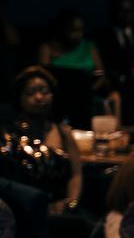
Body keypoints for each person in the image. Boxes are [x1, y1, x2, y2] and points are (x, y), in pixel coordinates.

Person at [6, 67, 83, 212]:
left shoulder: (63, 131)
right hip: (23, 209)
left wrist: (71, 203)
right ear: (19, 97)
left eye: (44, 91)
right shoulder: (10, 135)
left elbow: (76, 174)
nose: (39, 97)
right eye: (30, 93)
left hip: (61, 208)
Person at [98, 0, 134, 86]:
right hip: (115, 83)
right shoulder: (103, 36)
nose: (126, 15)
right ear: (113, 12)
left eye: (129, 11)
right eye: (121, 11)